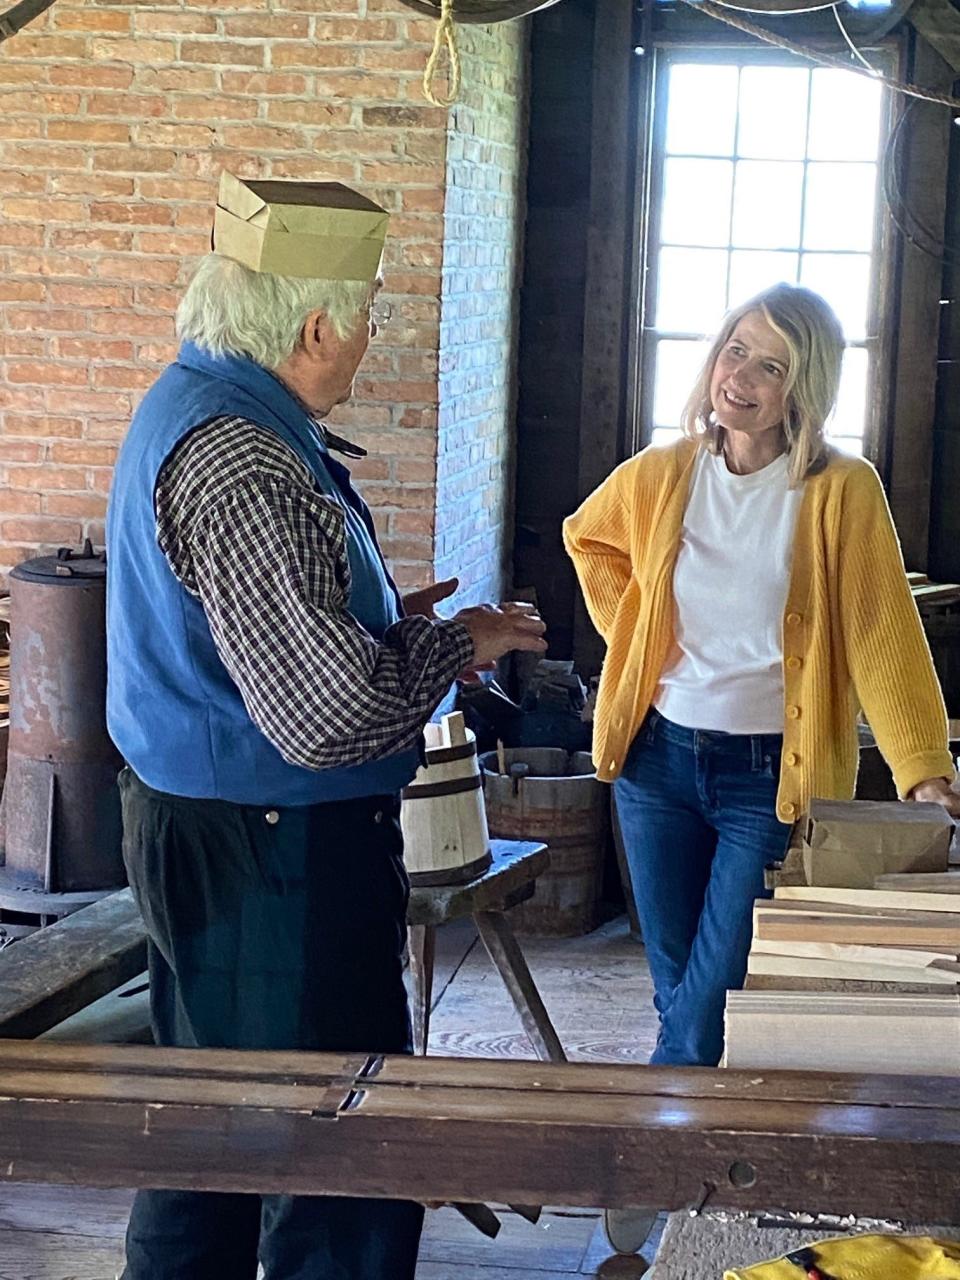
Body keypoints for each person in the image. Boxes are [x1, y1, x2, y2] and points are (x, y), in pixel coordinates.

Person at [106, 172, 546, 1280]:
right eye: (370, 314)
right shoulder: (243, 457)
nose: (370, 338)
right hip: (269, 856)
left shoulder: (204, 402)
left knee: (210, 1126)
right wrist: (465, 645)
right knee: (333, 1145)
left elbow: (257, 637)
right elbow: (327, 714)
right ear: (314, 326)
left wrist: (380, 621)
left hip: (220, 828)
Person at [564, 282, 958, 1250]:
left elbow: (879, 630)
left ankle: (655, 1171)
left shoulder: (839, 491)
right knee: (674, 984)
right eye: (736, 350)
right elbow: (590, 539)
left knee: (709, 992)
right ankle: (719, 1177)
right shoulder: (661, 475)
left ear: (801, 389)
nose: (740, 376)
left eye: (770, 365)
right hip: (656, 760)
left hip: (764, 778)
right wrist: (640, 641)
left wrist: (923, 767)